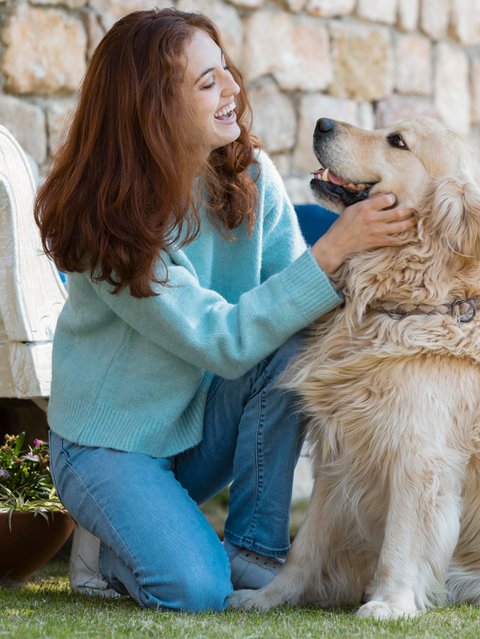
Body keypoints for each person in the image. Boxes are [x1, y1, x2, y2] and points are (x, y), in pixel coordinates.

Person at [35, 8, 415, 613]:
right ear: (152, 106)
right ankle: (109, 547)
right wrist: (334, 248)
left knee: (296, 345)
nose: (233, 89)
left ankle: (255, 551)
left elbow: (293, 303)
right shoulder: (104, 221)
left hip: (198, 423)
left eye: (227, 72)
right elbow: (220, 339)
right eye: (207, 82)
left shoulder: (247, 174)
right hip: (111, 447)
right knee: (195, 590)